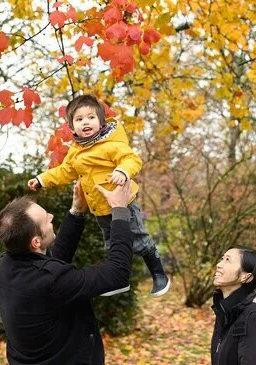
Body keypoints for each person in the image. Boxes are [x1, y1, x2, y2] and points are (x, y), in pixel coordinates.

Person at [27, 94, 170, 297]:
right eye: (79, 119)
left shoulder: (111, 144)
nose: (86, 122)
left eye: (91, 117)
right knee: (112, 243)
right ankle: (120, 279)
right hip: (99, 208)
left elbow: (132, 159)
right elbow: (64, 171)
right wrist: (42, 179)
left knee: (138, 240)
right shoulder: (75, 152)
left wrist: (122, 171)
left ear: (101, 122)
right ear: (72, 127)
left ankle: (159, 274)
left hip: (123, 203)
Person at [0, 180, 134, 365]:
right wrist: (120, 210)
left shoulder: (5, 266)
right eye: (46, 219)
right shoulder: (52, 280)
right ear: (35, 242)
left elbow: (51, 264)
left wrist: (76, 211)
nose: (51, 216)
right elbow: (117, 273)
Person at [211, 246, 256, 365]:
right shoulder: (226, 310)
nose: (219, 264)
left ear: (246, 277)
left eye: (228, 260)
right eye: (222, 258)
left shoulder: (253, 317)